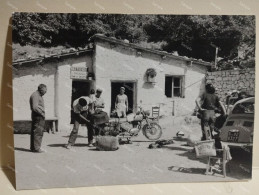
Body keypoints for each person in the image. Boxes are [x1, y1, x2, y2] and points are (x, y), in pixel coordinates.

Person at [29, 84, 47, 153]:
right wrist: (42, 113)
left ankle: (33, 147)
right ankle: (37, 148)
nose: (45, 92)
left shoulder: (37, 95)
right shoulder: (36, 95)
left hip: (37, 115)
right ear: (41, 89)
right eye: (45, 90)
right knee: (38, 132)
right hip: (38, 116)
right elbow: (35, 107)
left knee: (35, 131)